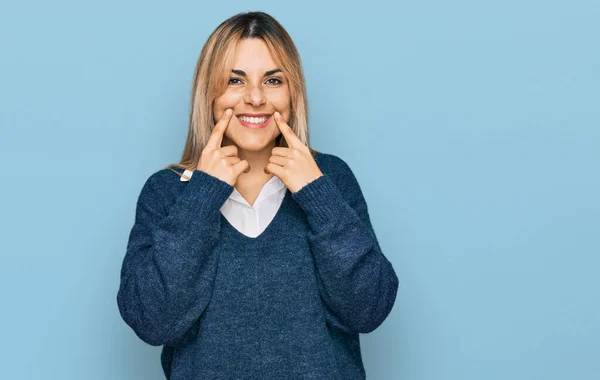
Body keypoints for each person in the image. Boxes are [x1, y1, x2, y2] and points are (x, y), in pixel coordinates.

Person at [116, 11, 399, 380]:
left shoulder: (331, 180)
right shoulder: (168, 192)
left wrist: (317, 195)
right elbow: (151, 321)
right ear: (211, 94)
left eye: (273, 80)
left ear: (292, 91)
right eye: (235, 80)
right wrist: (202, 197)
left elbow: (369, 309)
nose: (255, 97)